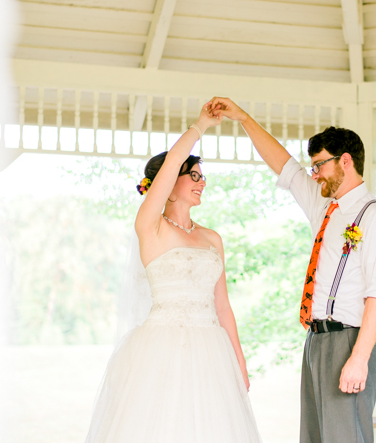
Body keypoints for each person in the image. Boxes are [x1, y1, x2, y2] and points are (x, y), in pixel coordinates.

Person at [207, 97, 376, 443]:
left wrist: (359, 359)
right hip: (316, 340)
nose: (313, 174)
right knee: (313, 438)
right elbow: (283, 164)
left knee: (345, 437)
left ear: (345, 161)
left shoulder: (375, 217)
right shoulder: (323, 204)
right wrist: (242, 118)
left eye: (319, 166)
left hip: (350, 340)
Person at [84, 105, 261, 443]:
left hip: (212, 353)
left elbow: (222, 306)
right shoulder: (151, 227)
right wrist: (200, 126)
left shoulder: (213, 239)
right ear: (169, 180)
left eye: (202, 176)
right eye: (193, 175)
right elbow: (170, 167)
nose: (202, 182)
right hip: (160, 350)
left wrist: (239, 361)